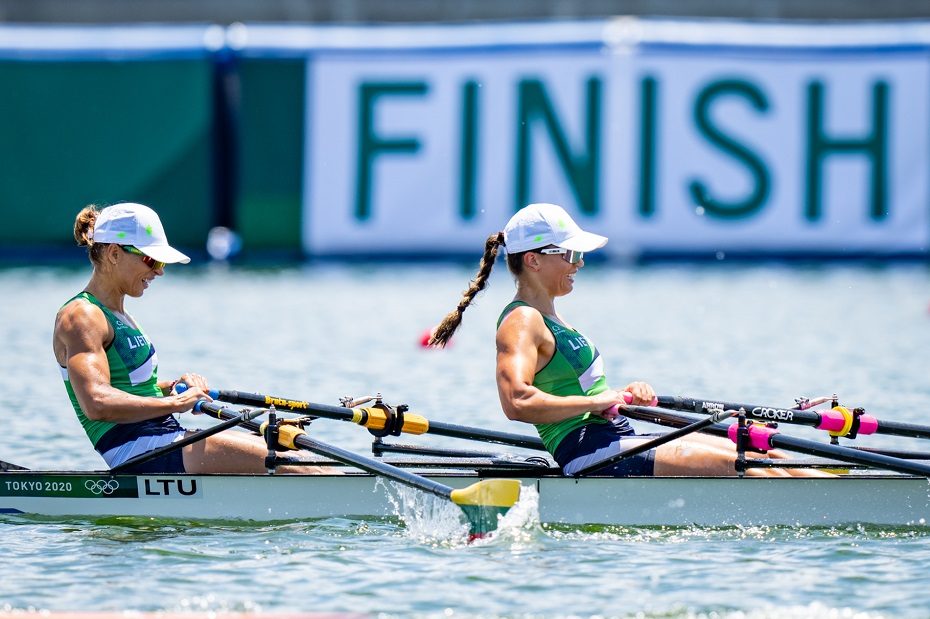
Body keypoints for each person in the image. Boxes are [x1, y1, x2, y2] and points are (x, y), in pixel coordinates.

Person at [429, 203, 828, 477]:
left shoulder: (551, 316)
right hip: (587, 451)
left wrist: (621, 392)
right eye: (570, 255)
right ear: (533, 259)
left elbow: (585, 392)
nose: (580, 263)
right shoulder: (520, 321)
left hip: (618, 432)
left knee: (765, 453)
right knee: (749, 466)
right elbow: (516, 402)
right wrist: (598, 401)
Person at [53, 202, 331, 475]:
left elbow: (132, 388)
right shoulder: (82, 316)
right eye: (152, 260)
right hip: (138, 452)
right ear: (114, 253)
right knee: (299, 466)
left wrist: (173, 388)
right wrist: (177, 404)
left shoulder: (118, 314)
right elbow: (96, 402)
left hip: (162, 439)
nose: (160, 271)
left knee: (294, 454)